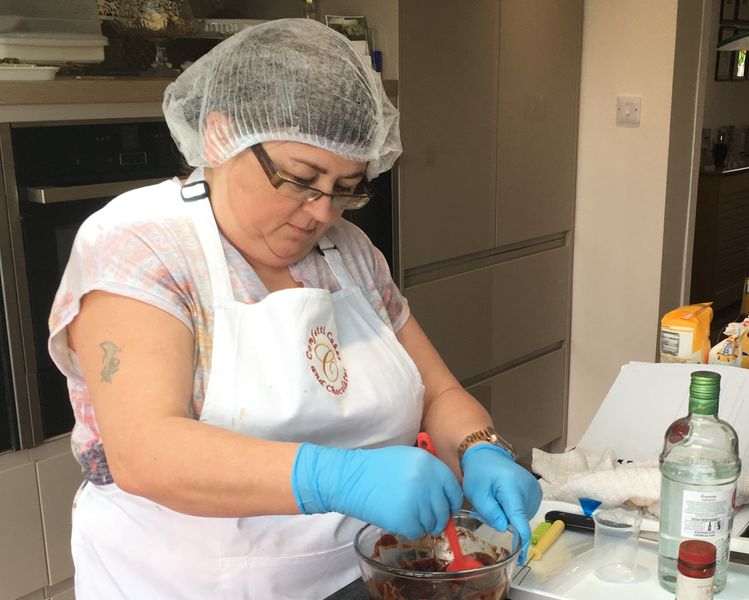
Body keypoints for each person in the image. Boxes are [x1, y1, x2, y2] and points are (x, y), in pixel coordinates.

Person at [48, 18, 541, 599]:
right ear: (218, 135)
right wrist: (335, 476)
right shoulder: (141, 244)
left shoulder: (349, 253)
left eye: (347, 187)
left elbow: (436, 391)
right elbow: (147, 453)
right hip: (189, 583)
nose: (322, 213)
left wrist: (481, 448)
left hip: (360, 576)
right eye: (300, 179)